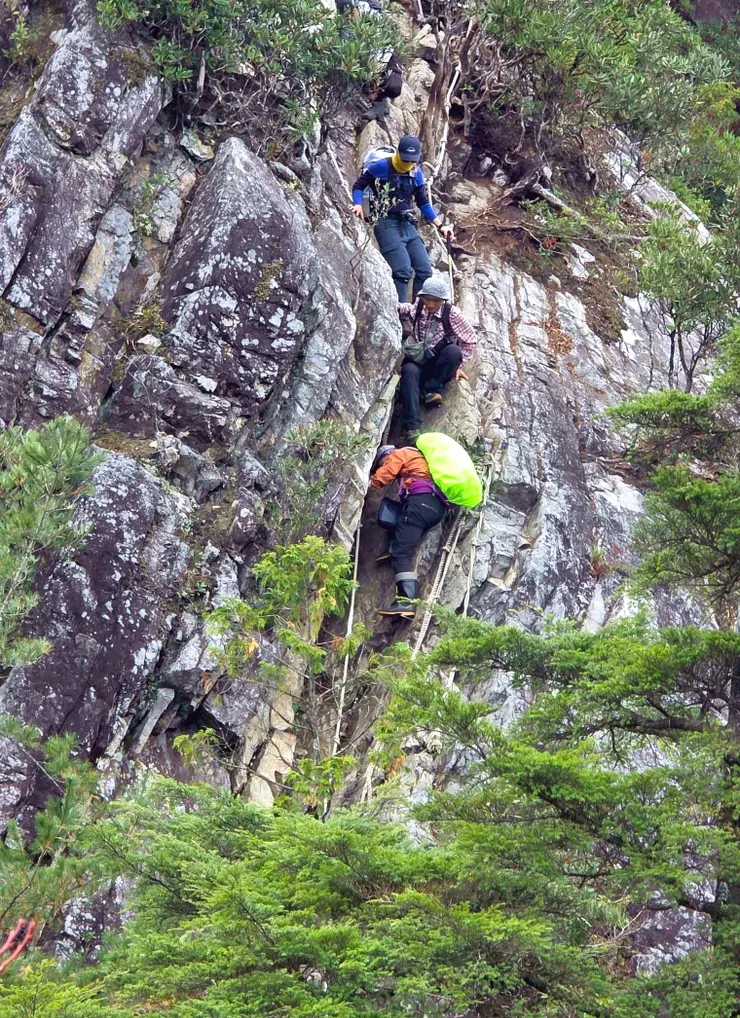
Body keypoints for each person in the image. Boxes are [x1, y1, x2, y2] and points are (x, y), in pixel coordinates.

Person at [351, 135, 454, 301]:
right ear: (398, 153)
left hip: (407, 223)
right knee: (402, 271)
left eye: (412, 161)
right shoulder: (382, 166)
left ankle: (418, 311)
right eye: (405, 159)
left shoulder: (416, 173)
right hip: (385, 222)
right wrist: (357, 204)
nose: (408, 164)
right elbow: (359, 185)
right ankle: (402, 312)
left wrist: (441, 226)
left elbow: (423, 202)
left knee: (424, 270)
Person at [370, 444, 449, 618]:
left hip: (420, 504)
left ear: (386, 455)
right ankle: (395, 546)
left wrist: (369, 482)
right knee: (402, 521)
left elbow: (385, 474)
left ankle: (407, 601)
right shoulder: (420, 460)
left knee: (401, 554)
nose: (383, 465)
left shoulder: (398, 454)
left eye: (381, 462)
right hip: (435, 508)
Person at [397, 276, 477, 441]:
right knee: (408, 371)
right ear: (422, 297)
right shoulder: (420, 305)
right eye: (428, 299)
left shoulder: (452, 314)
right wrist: (395, 306)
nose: (431, 304)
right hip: (418, 360)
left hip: (438, 363)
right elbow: (409, 310)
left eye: (436, 301)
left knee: (454, 351)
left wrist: (460, 366)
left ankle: (432, 390)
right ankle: (412, 428)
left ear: (442, 300)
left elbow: (470, 339)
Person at [334, 0, 402, 122]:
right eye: (346, 14)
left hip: (382, 59)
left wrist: (374, 83)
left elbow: (382, 50)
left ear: (356, 8)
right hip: (360, 62)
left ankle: (381, 102)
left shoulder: (373, 18)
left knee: (393, 86)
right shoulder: (344, 26)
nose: (350, 17)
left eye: (351, 12)